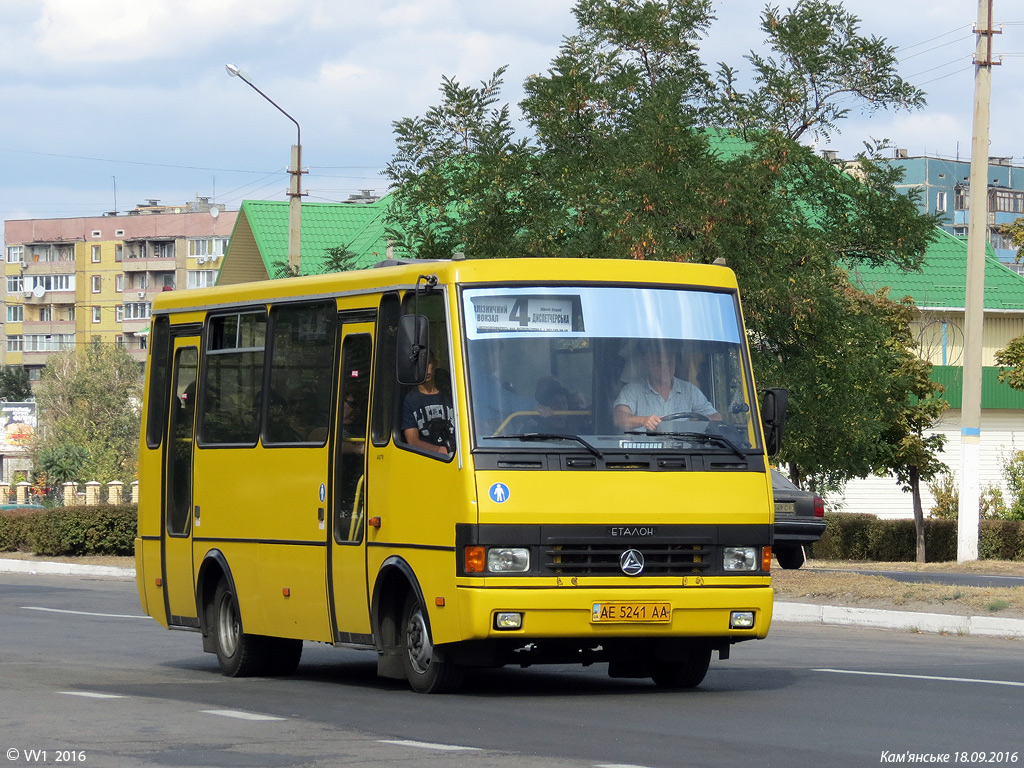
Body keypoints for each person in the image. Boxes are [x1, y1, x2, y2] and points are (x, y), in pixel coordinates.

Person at [613, 342, 721, 432]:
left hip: (683, 453)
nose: (666, 368)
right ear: (648, 363)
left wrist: (693, 427)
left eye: (670, 363)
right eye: (660, 363)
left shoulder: (689, 390)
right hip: (642, 454)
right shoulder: (632, 390)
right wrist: (644, 421)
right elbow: (619, 418)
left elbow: (716, 418)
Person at [402, 353, 456, 456]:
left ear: (435, 364)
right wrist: (439, 451)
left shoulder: (449, 397)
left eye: (428, 363)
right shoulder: (411, 401)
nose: (425, 369)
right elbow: (413, 441)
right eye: (420, 364)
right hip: (428, 460)